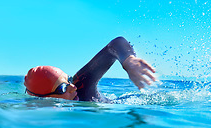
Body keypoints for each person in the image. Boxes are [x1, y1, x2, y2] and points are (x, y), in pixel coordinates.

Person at [24, 36, 157, 102]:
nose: (73, 87)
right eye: (63, 88)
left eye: (68, 80)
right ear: (44, 98)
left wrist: (129, 61)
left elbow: (116, 44)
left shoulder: (81, 86)